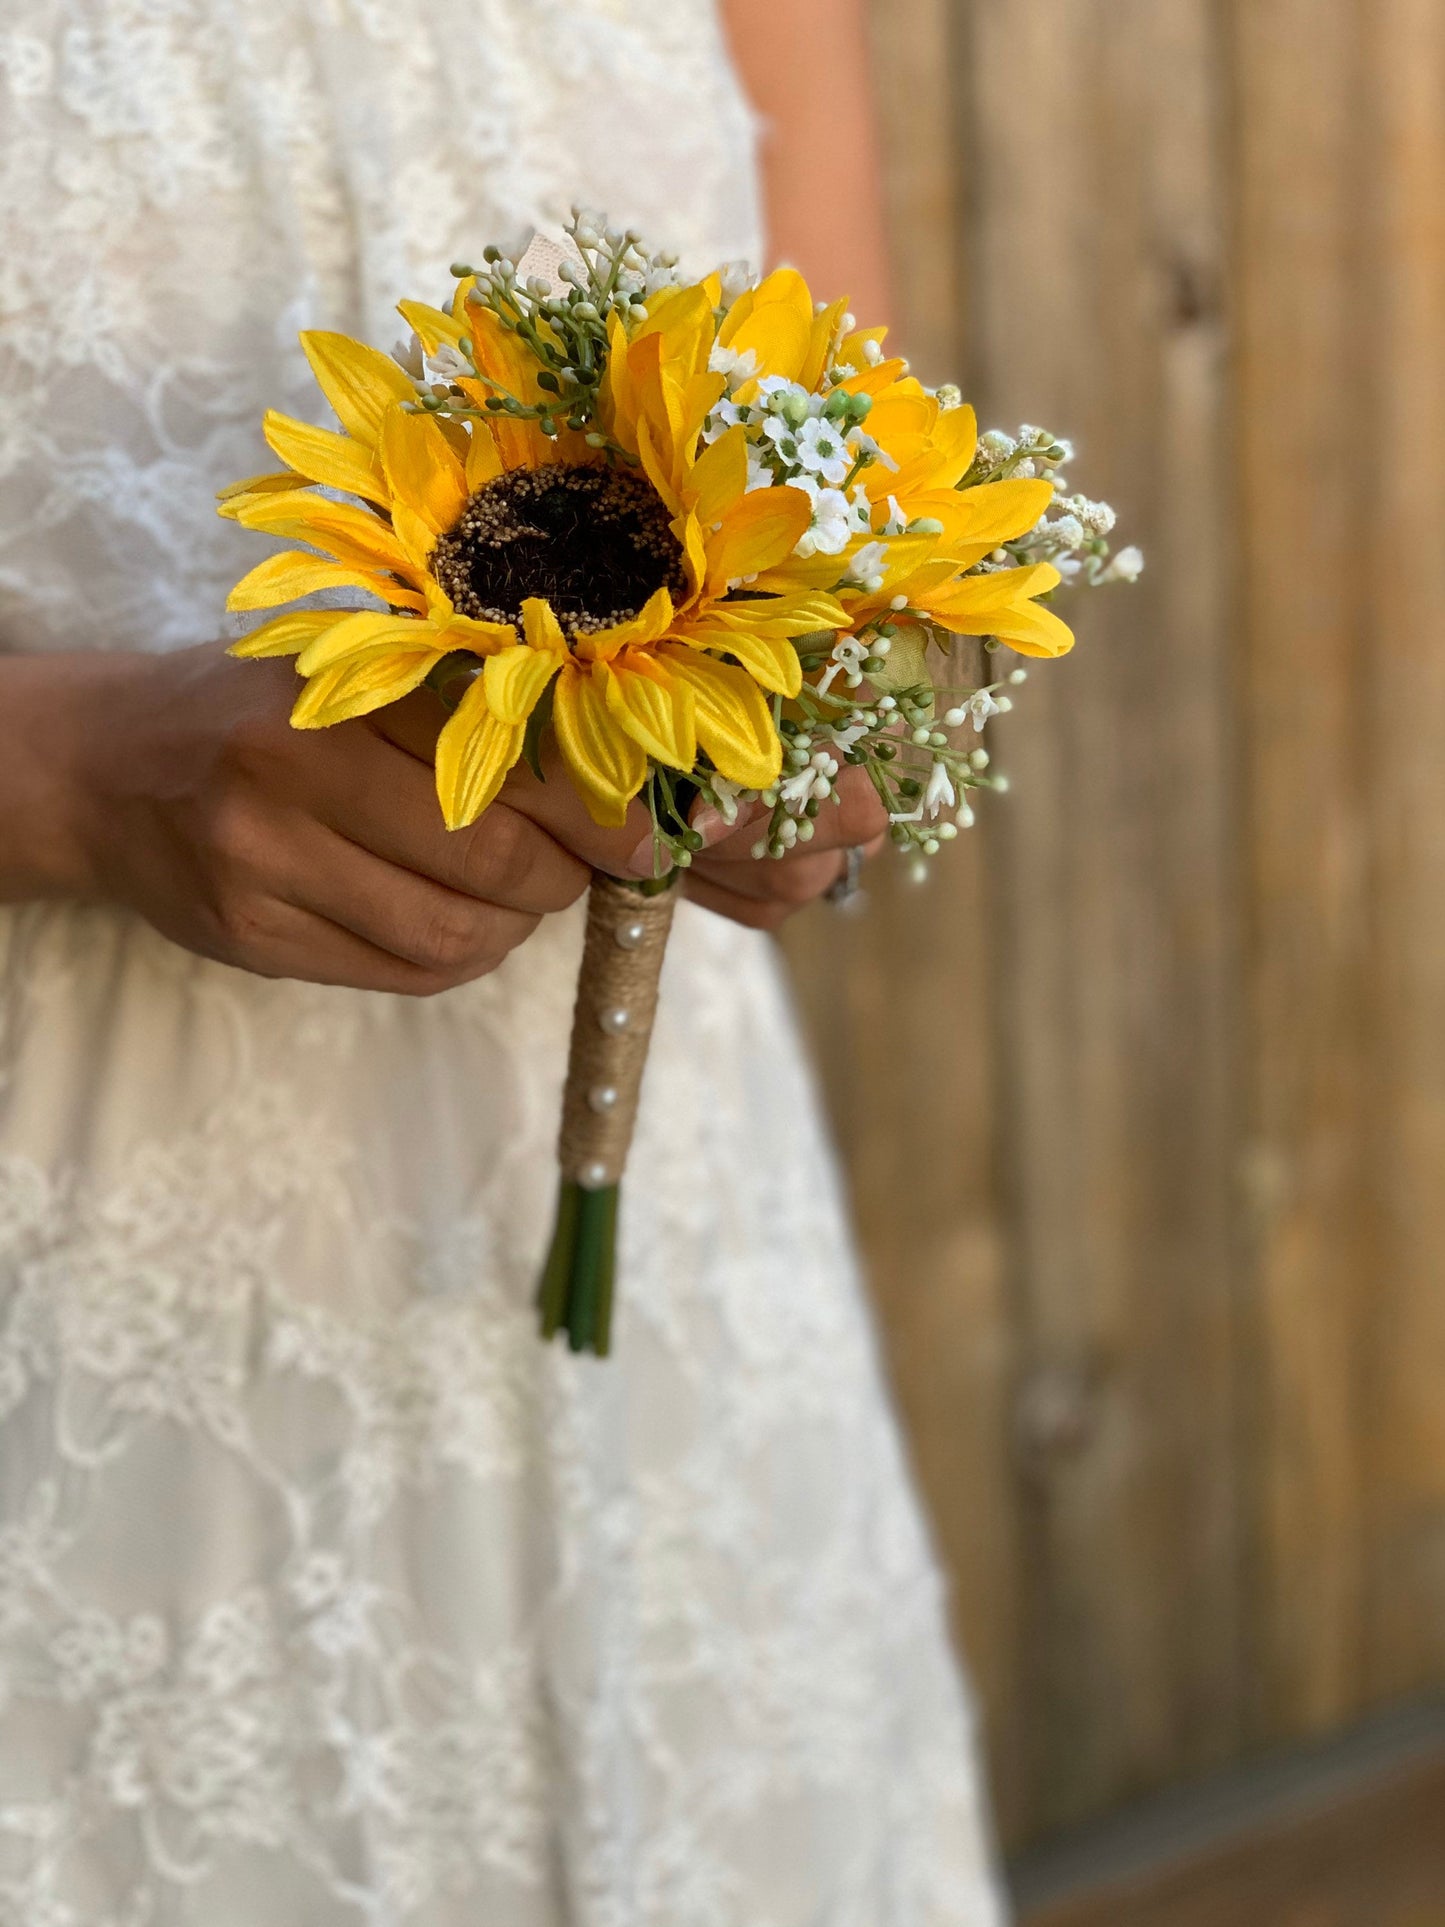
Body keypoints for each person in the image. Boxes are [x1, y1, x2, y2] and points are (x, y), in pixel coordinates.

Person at [0, 1, 1005, 1918]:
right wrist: (69, 782)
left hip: (672, 1324)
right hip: (78, 1353)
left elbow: (851, 465)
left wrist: (821, 731)